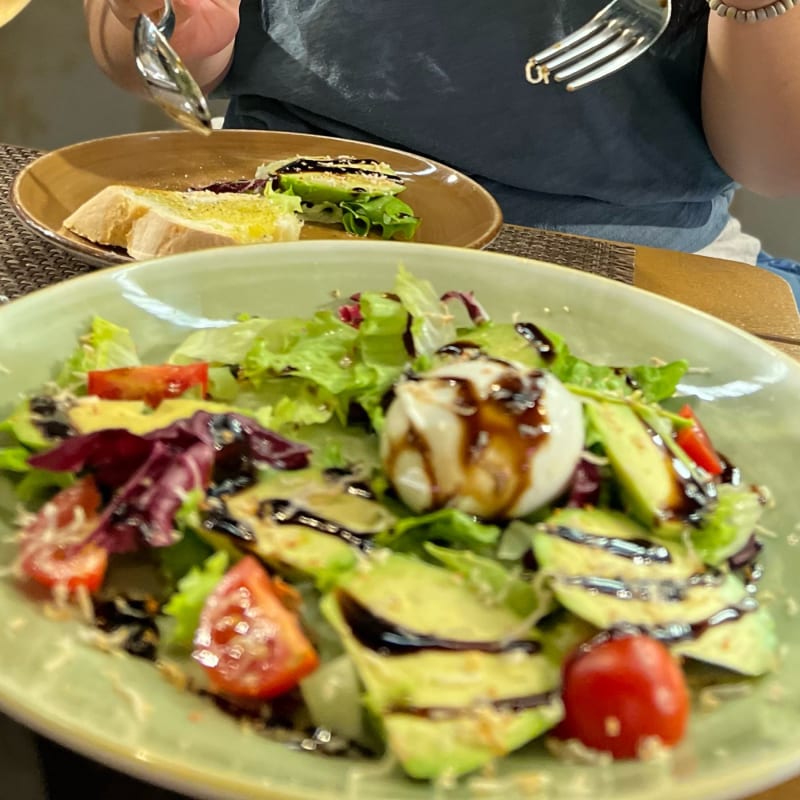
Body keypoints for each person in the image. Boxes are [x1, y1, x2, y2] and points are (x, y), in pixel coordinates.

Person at [83, 0, 800, 300]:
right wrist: (167, 29)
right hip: (281, 223)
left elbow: (776, 164)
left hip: (628, 262)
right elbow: (139, 47)